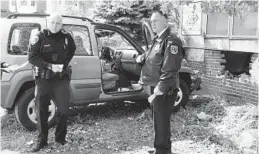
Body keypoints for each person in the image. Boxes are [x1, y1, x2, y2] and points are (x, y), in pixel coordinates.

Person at [136, 11, 184, 154]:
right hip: (155, 87)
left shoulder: (171, 41)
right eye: (151, 22)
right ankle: (162, 147)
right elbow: (153, 56)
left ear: (165, 21)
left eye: (155, 21)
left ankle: (162, 151)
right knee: (159, 120)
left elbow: (170, 69)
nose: (153, 24)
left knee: (161, 121)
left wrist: (159, 89)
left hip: (164, 89)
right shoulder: (157, 40)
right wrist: (142, 58)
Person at [28, 13, 76, 152]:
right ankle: (42, 141)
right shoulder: (39, 37)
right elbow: (32, 57)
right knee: (41, 110)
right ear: (48, 22)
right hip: (44, 79)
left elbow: (72, 50)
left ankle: (60, 139)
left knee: (63, 110)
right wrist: (49, 66)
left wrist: (64, 63)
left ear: (62, 25)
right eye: (53, 22)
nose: (55, 26)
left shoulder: (67, 37)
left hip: (61, 79)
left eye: (58, 23)